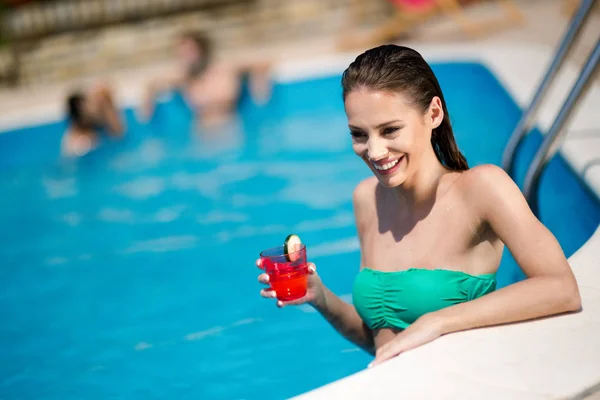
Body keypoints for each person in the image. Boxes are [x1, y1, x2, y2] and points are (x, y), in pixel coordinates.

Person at [257, 45, 581, 367]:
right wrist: (321, 297)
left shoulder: (482, 189)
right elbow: (380, 341)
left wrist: (437, 322)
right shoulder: (367, 199)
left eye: (390, 130)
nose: (375, 151)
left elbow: (560, 288)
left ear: (433, 114)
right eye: (359, 134)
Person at [140, 31, 271, 129]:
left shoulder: (225, 69)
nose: (186, 57)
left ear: (202, 50)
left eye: (189, 52)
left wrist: (259, 91)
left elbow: (262, 64)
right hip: (201, 131)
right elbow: (152, 83)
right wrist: (146, 107)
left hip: (230, 125)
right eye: (182, 54)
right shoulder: (184, 78)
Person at [61, 83, 125, 157]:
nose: (93, 110)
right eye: (88, 106)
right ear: (81, 113)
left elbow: (119, 132)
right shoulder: (81, 141)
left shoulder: (92, 129)